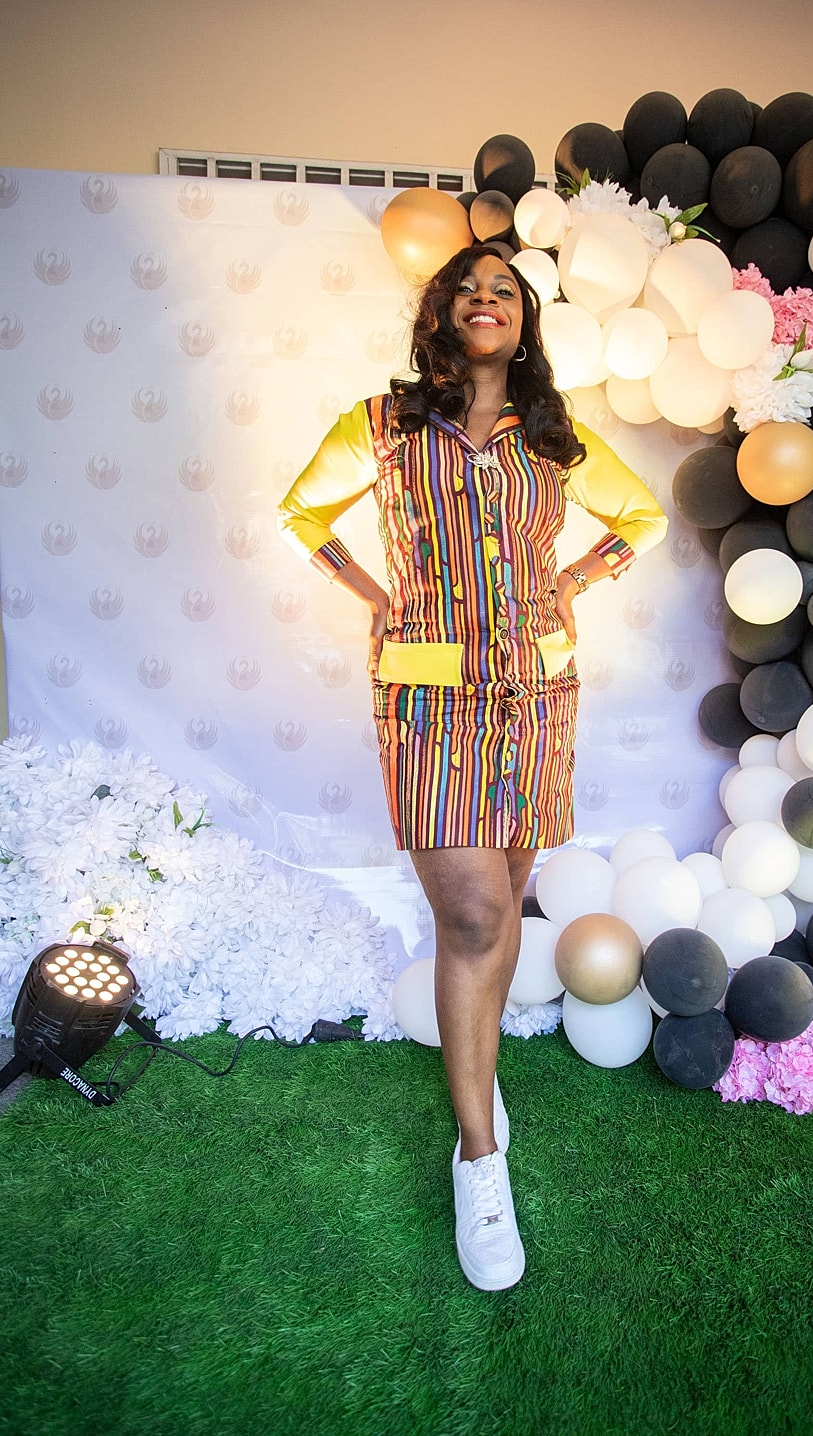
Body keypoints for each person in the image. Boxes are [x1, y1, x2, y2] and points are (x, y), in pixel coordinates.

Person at [278, 243, 667, 1291]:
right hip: (428, 699)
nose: (485, 298)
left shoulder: (554, 437)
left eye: (505, 289)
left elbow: (643, 516)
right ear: (441, 313)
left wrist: (576, 580)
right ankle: (478, 1158)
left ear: (523, 319)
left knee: (506, 897)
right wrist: (374, 595)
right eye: (469, 287)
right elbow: (300, 513)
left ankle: (477, 1077)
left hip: (538, 701)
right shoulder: (382, 425)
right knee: (475, 920)